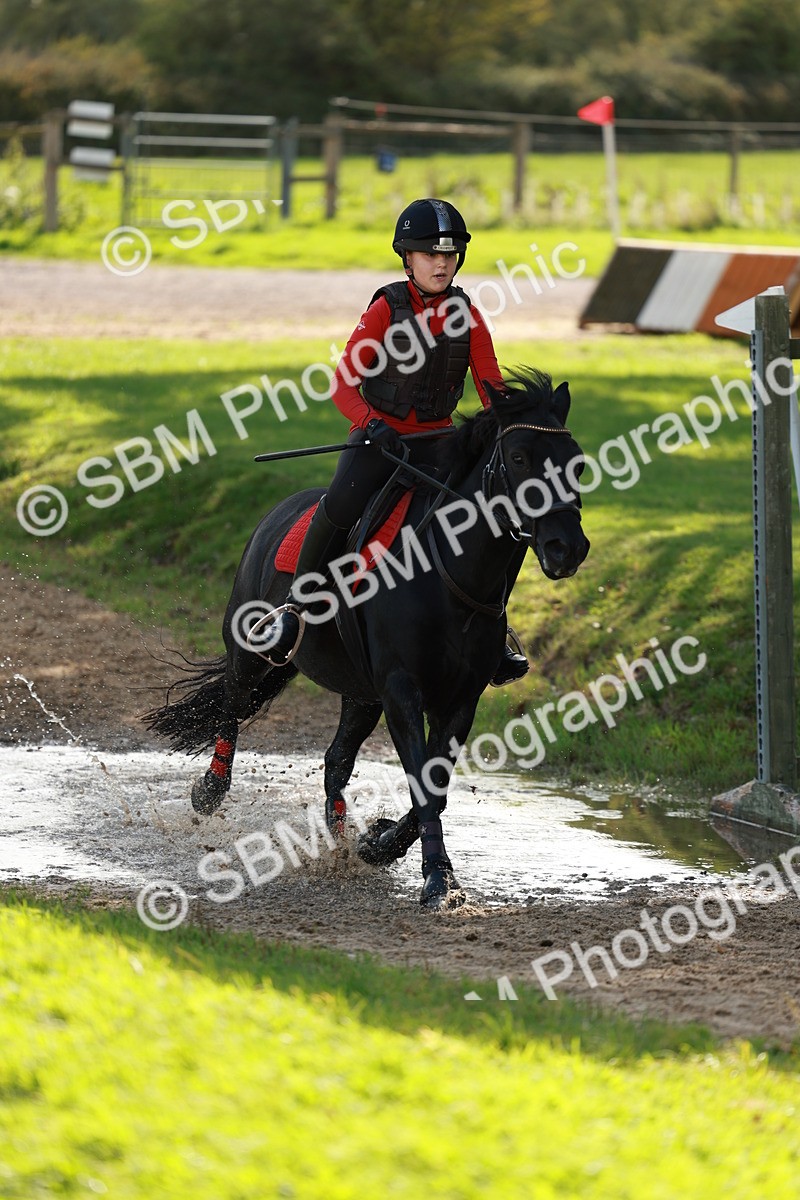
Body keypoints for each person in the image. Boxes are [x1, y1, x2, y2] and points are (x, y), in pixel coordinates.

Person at [265, 197, 529, 686]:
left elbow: (491, 385)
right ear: (407, 257)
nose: (442, 263)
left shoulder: (468, 316)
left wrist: (517, 422)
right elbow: (343, 383)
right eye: (430, 254)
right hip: (377, 444)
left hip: (441, 445)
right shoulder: (386, 307)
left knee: (492, 515)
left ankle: (496, 631)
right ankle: (294, 612)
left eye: (450, 254)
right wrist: (370, 421)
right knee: (340, 508)